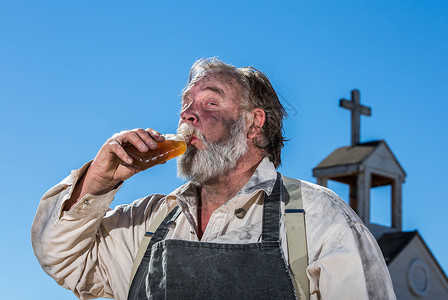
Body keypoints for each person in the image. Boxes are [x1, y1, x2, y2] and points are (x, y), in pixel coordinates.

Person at [32, 58, 396, 300]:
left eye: (210, 103)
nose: (189, 114)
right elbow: (61, 257)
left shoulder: (316, 218)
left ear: (254, 123)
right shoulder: (150, 220)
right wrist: (96, 180)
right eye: (187, 104)